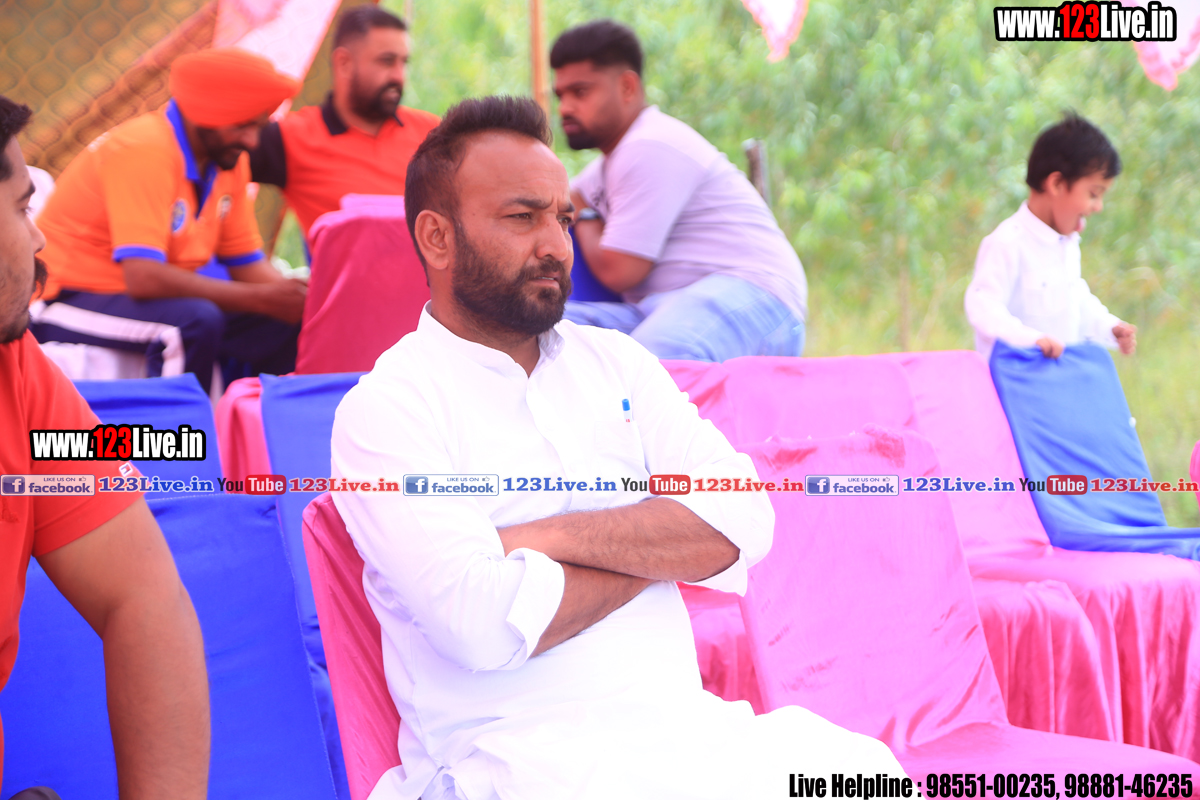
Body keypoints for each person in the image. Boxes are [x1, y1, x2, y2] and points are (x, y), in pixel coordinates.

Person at [330, 96, 903, 800]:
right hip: (511, 763)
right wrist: (663, 548)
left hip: (681, 734)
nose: (556, 245)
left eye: (563, 218)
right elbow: (478, 624)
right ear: (437, 238)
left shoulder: (617, 363)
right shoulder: (388, 411)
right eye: (523, 218)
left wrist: (539, 538)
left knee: (863, 775)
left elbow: (746, 516)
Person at [1, 95, 209, 798]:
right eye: (22, 208)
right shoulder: (143, 151)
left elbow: (145, 599)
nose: (38, 240)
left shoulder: (18, 371)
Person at [30, 48, 307, 395]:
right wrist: (259, 299)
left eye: (258, 127)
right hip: (65, 298)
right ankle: (180, 431)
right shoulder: (144, 148)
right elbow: (144, 278)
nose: (252, 141)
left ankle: (251, 422)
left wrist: (294, 299)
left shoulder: (229, 161)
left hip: (135, 297)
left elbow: (245, 262)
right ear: (205, 114)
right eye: (242, 125)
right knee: (192, 322)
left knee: (285, 320)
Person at [550, 20, 808, 362]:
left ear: (627, 87)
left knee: (658, 359)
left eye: (580, 92)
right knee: (531, 332)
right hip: (657, 309)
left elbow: (620, 272)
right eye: (560, 96)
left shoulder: (651, 144)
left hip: (753, 293)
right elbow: (563, 200)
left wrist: (584, 216)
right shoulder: (603, 168)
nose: (565, 108)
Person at [249, 5, 440, 240]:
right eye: (387, 61)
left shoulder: (433, 135)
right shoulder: (293, 137)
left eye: (404, 63)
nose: (398, 76)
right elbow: (219, 151)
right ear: (344, 63)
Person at [964, 113, 1137, 360]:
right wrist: (1030, 340)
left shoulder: (1067, 244)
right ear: (1056, 184)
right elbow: (984, 306)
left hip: (1058, 374)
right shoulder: (1007, 243)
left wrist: (1109, 327)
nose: (1098, 207)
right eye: (1093, 194)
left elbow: (1076, 301)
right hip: (1016, 374)